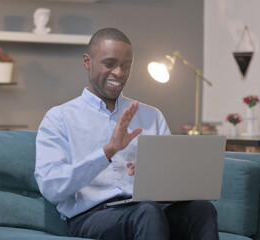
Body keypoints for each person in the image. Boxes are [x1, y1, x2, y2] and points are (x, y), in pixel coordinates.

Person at [34, 28, 219, 240]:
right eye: (110, 64)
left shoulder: (152, 116)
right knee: (147, 213)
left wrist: (154, 174)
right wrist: (108, 152)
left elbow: (171, 184)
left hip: (150, 209)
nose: (119, 73)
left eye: (126, 66)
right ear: (87, 61)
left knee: (201, 209)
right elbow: (51, 187)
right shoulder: (59, 118)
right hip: (92, 215)